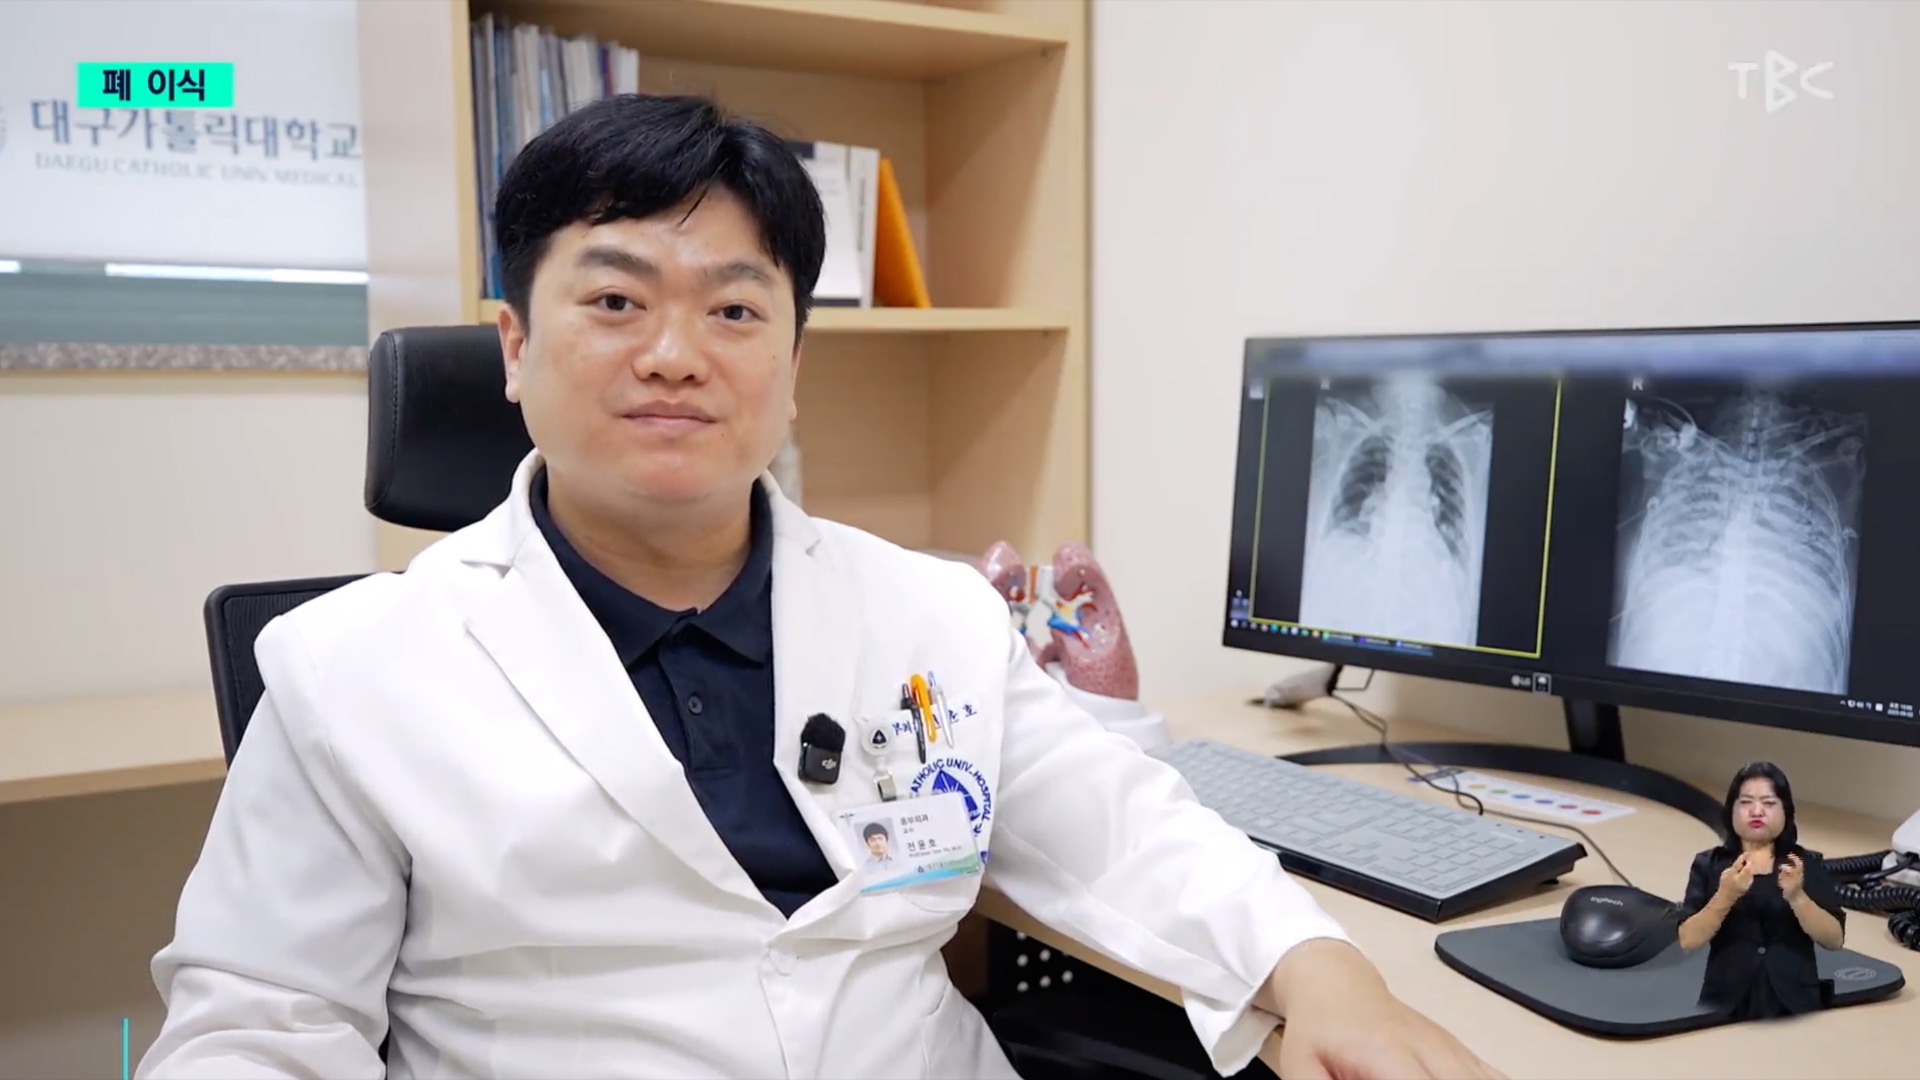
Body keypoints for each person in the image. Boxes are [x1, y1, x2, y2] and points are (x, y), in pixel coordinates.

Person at [138, 93, 1502, 1080]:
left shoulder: (932, 614)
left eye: (736, 310)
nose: (677, 354)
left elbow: (1123, 826)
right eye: (614, 302)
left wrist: (1318, 968)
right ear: (511, 346)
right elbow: (260, 1026)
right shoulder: (347, 667)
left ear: (793, 368)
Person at [1676, 761, 1847, 1020]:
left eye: (1769, 803)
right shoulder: (1709, 864)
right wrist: (1725, 896)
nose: (1757, 811)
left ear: (1786, 812)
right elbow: (1688, 939)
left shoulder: (1804, 863)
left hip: (1796, 1004)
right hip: (1724, 1003)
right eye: (1746, 802)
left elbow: (1834, 939)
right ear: (1731, 811)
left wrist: (1797, 897)